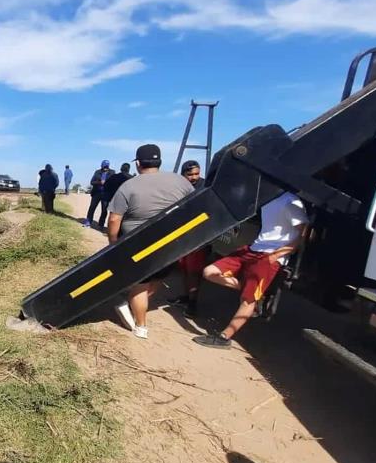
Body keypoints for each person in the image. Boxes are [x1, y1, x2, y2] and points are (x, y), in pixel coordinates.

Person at [195, 192, 308, 349]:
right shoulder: (267, 196)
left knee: (248, 300)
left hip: (269, 256)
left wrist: (277, 255)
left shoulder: (291, 200)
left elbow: (303, 232)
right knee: (209, 271)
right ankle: (247, 288)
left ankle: (224, 337)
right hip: (252, 249)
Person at [107, 145, 195, 339]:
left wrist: (113, 245)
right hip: (172, 244)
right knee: (157, 277)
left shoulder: (129, 186)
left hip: (139, 245)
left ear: (138, 164)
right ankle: (133, 303)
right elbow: (194, 208)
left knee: (140, 285)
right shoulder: (181, 181)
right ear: (160, 162)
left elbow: (114, 219)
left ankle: (141, 326)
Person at [168, 160, 207, 316]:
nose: (194, 177)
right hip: (182, 235)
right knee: (184, 269)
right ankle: (186, 297)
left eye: (196, 173)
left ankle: (193, 303)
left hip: (197, 236)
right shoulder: (179, 187)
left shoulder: (204, 187)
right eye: (190, 174)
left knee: (193, 271)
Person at [85, 160, 114, 229]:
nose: (105, 168)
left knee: (104, 210)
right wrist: (99, 182)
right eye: (104, 166)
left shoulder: (112, 172)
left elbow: (113, 182)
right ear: (102, 165)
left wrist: (106, 182)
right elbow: (92, 182)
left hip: (106, 194)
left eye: (107, 166)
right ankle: (88, 222)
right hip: (96, 193)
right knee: (92, 207)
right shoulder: (97, 172)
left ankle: (101, 224)